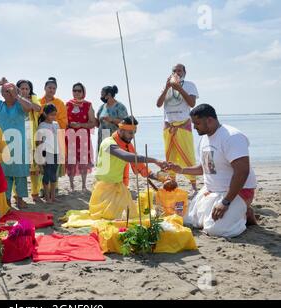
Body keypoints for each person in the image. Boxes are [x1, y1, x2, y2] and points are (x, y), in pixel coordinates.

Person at [168, 104, 258, 238]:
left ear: (209, 120)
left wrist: (225, 202)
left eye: (197, 123)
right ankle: (237, 212)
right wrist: (181, 169)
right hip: (212, 190)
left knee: (215, 230)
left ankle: (244, 214)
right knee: (189, 220)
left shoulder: (232, 137)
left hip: (237, 192)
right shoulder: (204, 139)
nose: (194, 127)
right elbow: (206, 167)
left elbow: (242, 172)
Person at [0, 78, 40, 209]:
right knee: (4, 173)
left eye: (11, 91)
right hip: (2, 144)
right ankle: (6, 200)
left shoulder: (20, 104)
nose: (9, 93)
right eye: (6, 91)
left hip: (19, 144)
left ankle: (20, 200)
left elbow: (30, 107)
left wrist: (17, 95)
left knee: (20, 174)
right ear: (2, 93)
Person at [92, 116, 166, 220]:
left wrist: (160, 177)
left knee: (131, 217)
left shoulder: (128, 146)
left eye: (134, 133)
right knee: (108, 218)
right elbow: (125, 156)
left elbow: (140, 167)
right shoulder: (108, 143)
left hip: (120, 187)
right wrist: (155, 160)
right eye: (130, 133)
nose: (132, 136)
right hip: (104, 188)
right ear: (121, 130)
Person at [156, 63, 199, 192]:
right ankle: (172, 183)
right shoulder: (167, 86)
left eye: (179, 70)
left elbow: (191, 103)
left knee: (188, 154)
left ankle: (193, 185)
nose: (177, 72)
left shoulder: (190, 85)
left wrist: (179, 88)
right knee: (170, 156)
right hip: (168, 125)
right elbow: (158, 104)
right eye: (174, 70)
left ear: (184, 73)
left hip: (183, 124)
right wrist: (167, 87)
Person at [66, 82, 96, 192]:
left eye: (79, 90)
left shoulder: (88, 105)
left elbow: (92, 123)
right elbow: (64, 121)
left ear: (83, 92)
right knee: (71, 161)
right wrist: (69, 125)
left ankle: (84, 185)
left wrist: (80, 125)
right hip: (70, 137)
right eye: (74, 90)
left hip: (83, 137)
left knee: (84, 161)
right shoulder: (68, 104)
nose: (76, 93)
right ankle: (71, 185)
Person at [17, 80, 42, 203]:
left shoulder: (33, 98)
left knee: (34, 169)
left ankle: (35, 192)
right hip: (18, 135)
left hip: (32, 135)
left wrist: (27, 102)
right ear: (18, 89)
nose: (25, 91)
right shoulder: (14, 99)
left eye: (27, 89)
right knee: (18, 167)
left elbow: (38, 108)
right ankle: (17, 195)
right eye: (22, 88)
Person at [36, 104, 61, 203]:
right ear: (45, 114)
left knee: (54, 175)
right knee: (46, 175)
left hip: (56, 153)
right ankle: (47, 197)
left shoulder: (56, 124)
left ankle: (53, 196)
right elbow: (38, 142)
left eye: (55, 114)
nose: (53, 117)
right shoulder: (42, 125)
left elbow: (58, 139)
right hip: (46, 153)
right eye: (51, 114)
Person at [96, 85, 128, 152]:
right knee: (104, 160)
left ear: (109, 95)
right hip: (103, 137)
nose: (101, 97)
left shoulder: (120, 107)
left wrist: (112, 120)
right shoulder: (102, 107)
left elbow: (126, 123)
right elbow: (98, 123)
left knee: (113, 159)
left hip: (114, 137)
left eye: (102, 94)